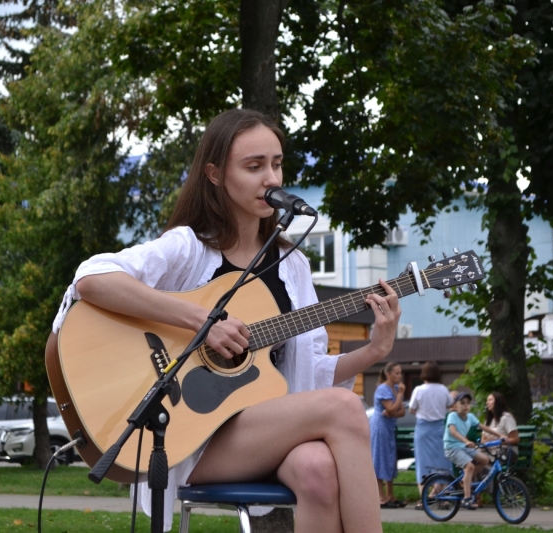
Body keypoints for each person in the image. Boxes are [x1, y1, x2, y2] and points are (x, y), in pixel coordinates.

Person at [49, 109, 402, 532]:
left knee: (317, 467)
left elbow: (308, 374)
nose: (271, 178)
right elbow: (92, 279)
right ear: (215, 174)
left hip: (259, 433)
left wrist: (375, 351)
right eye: (254, 166)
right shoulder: (189, 249)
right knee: (346, 406)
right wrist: (204, 320)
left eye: (276, 163)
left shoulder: (294, 266)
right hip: (188, 440)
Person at [443, 392, 505, 510]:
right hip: (451, 447)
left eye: (468, 403)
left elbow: (483, 426)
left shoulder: (470, 416)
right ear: (455, 406)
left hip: (463, 446)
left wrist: (499, 434)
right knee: (470, 467)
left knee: (484, 459)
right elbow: (453, 432)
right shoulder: (452, 416)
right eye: (462, 403)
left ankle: (465, 480)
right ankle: (467, 498)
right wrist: (466, 441)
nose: (466, 406)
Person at [408, 361, 454, 509]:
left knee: (423, 465)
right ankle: (444, 497)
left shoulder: (419, 390)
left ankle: (424, 500)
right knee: (441, 463)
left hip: (423, 429)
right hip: (439, 428)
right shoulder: (443, 389)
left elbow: (411, 409)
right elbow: (450, 404)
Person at [370, 362, 407, 509]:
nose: (399, 376)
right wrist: (399, 396)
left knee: (390, 459)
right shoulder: (383, 389)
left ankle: (391, 495)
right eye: (397, 373)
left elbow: (401, 411)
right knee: (380, 458)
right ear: (388, 374)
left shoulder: (396, 388)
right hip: (380, 428)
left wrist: (393, 410)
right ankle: (381, 497)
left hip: (389, 427)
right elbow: (391, 408)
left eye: (400, 373)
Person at [481, 391, 520, 465]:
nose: (487, 402)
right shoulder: (488, 421)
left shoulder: (506, 417)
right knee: (472, 457)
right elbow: (483, 440)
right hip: (489, 450)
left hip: (505, 451)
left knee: (482, 459)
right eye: (487, 400)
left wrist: (497, 441)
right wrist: (487, 441)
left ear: (498, 401)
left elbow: (515, 439)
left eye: (490, 400)